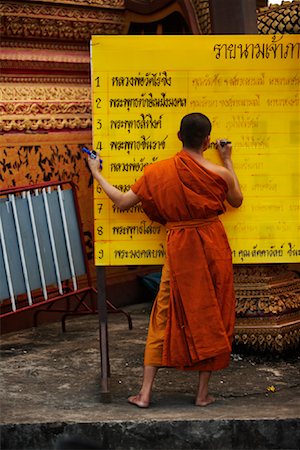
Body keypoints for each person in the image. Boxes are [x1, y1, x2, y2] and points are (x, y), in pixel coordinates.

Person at [87, 112, 243, 408]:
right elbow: (237, 200)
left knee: (164, 313)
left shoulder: (155, 172)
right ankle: (201, 394)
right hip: (213, 244)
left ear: (179, 136)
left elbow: (121, 201)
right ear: (208, 141)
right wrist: (228, 159)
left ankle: (145, 394)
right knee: (213, 310)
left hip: (179, 246)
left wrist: (96, 172)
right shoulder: (220, 174)